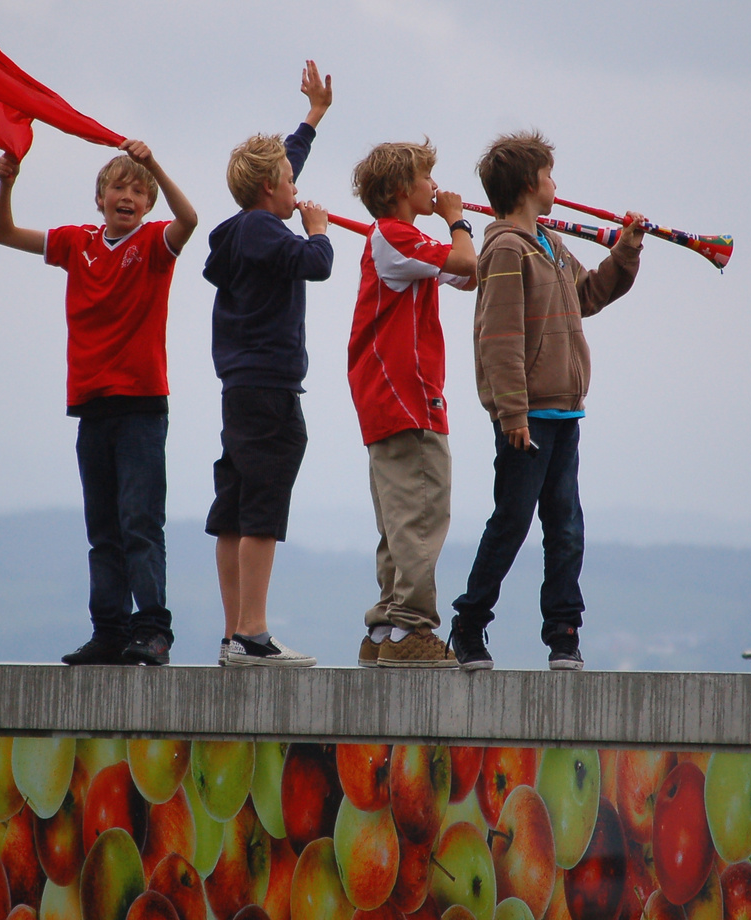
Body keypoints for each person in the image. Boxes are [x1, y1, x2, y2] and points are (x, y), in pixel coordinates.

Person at [0, 137, 197, 666]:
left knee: (140, 523)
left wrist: (155, 164)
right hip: (91, 404)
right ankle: (109, 629)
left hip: (142, 405)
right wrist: (6, 184)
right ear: (99, 197)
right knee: (102, 530)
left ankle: (152, 629)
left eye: (138, 190)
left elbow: (190, 218)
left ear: (148, 204)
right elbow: (1, 232)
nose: (127, 195)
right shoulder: (75, 242)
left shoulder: (152, 244)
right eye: (118, 186)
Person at [448, 131, 645, 671]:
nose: (557, 183)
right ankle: (469, 623)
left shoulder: (552, 246)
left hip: (564, 409)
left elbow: (588, 296)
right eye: (551, 174)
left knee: (565, 526)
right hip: (528, 417)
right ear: (531, 184)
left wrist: (624, 252)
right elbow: (500, 337)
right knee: (512, 521)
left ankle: (563, 633)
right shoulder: (508, 248)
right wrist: (512, 413)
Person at [202, 61, 335, 667]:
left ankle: (235, 633)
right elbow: (317, 264)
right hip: (270, 389)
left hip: (239, 389)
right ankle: (254, 633)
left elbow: (283, 169)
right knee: (262, 504)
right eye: (287, 179)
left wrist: (311, 119)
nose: (295, 184)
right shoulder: (266, 232)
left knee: (235, 505)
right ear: (268, 192)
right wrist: (319, 231)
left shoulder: (240, 229)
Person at [345, 141, 476, 668]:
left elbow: (467, 275)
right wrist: (458, 219)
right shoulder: (395, 237)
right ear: (402, 189)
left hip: (388, 398)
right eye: (427, 178)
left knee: (399, 518)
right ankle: (413, 629)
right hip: (407, 396)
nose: (434, 187)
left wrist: (457, 233)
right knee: (422, 512)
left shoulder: (402, 241)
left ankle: (386, 627)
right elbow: (465, 257)